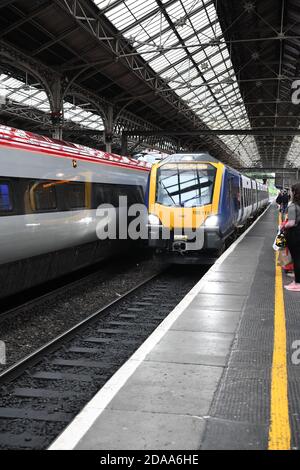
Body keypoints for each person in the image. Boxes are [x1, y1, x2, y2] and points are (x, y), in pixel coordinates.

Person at [283, 183, 300, 291]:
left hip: (294, 234)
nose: (289, 192)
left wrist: (283, 225)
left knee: (296, 258)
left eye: (290, 190)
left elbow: (292, 222)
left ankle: (297, 283)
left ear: (294, 192)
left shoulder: (293, 206)